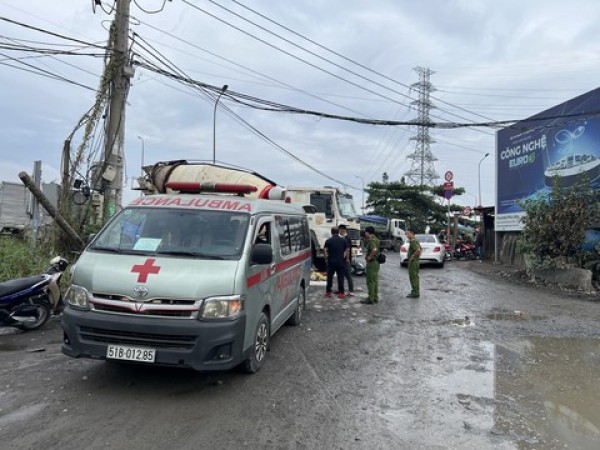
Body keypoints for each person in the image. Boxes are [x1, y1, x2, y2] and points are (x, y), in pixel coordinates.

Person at [323, 226, 349, 299]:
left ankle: (328, 292)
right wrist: (346, 259)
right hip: (340, 262)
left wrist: (326, 259)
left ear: (331, 232)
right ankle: (341, 293)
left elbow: (325, 251)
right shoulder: (343, 240)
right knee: (341, 277)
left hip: (331, 262)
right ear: (338, 232)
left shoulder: (328, 241)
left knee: (329, 278)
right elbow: (347, 250)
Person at [362, 226, 380, 304]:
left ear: (368, 232)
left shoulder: (372, 240)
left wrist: (369, 257)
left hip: (372, 263)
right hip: (376, 263)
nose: (365, 233)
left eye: (365, 232)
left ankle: (371, 298)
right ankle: (375, 297)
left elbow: (374, 250)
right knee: (375, 281)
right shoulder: (377, 239)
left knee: (370, 281)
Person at [338, 224, 354, 296]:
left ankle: (351, 291)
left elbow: (347, 250)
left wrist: (345, 259)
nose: (339, 232)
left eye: (340, 230)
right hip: (343, 260)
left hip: (345, 260)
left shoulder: (347, 238)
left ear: (343, 230)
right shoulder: (343, 238)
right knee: (341, 275)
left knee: (348, 276)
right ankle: (341, 290)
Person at [406, 228, 422, 298]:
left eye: (408, 233)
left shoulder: (413, 241)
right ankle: (415, 291)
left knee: (413, 277)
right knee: (414, 277)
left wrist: (412, 257)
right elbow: (420, 250)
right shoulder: (415, 241)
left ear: (412, 233)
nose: (407, 235)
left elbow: (418, 250)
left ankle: (415, 293)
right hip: (415, 262)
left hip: (413, 262)